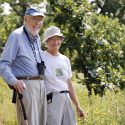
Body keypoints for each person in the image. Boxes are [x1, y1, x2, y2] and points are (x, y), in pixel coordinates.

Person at [0, 7, 47, 125]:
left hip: (41, 86)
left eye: (40, 20)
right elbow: (3, 63)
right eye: (34, 19)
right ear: (25, 19)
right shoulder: (16, 36)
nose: (38, 23)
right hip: (27, 87)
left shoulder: (37, 38)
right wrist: (13, 81)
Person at [41, 26, 85, 125]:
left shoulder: (65, 59)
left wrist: (77, 105)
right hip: (52, 99)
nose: (55, 42)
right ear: (46, 42)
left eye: (58, 39)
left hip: (66, 98)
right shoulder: (41, 57)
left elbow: (69, 84)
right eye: (52, 39)